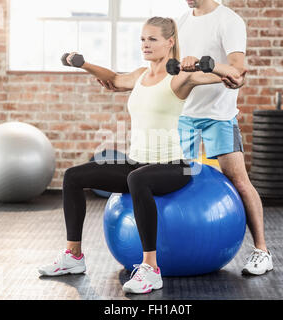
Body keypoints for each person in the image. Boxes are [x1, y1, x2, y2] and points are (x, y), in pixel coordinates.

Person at [38, 17, 244, 294]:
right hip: (138, 161)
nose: (145, 45)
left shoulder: (180, 77)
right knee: (74, 176)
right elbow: (112, 79)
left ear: (170, 42)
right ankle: (73, 256)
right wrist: (82, 63)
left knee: (138, 179)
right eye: (142, 39)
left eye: (152, 39)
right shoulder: (140, 75)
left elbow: (232, 76)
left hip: (175, 166)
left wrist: (205, 63)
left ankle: (150, 268)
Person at [99, 0, 273, 276]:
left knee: (238, 180)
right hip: (182, 114)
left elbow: (238, 68)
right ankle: (161, 253)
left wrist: (219, 70)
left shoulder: (229, 20)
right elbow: (166, 66)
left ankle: (261, 250)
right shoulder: (180, 21)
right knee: (165, 178)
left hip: (218, 114)